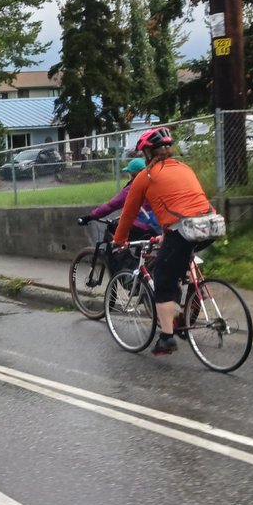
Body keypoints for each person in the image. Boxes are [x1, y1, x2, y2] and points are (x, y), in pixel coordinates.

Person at [113, 126, 216, 357]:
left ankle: (167, 338)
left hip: (184, 229)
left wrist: (119, 240)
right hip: (211, 225)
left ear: (148, 153)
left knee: (162, 280)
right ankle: (188, 302)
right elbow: (187, 203)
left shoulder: (145, 176)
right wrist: (167, 232)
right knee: (180, 263)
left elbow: (128, 213)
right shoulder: (185, 168)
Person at [77, 158, 162, 240]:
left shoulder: (133, 188)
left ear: (133, 174)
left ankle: (120, 253)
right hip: (159, 227)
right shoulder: (155, 183)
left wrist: (90, 217)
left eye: (129, 173)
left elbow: (111, 206)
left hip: (142, 226)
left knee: (114, 228)